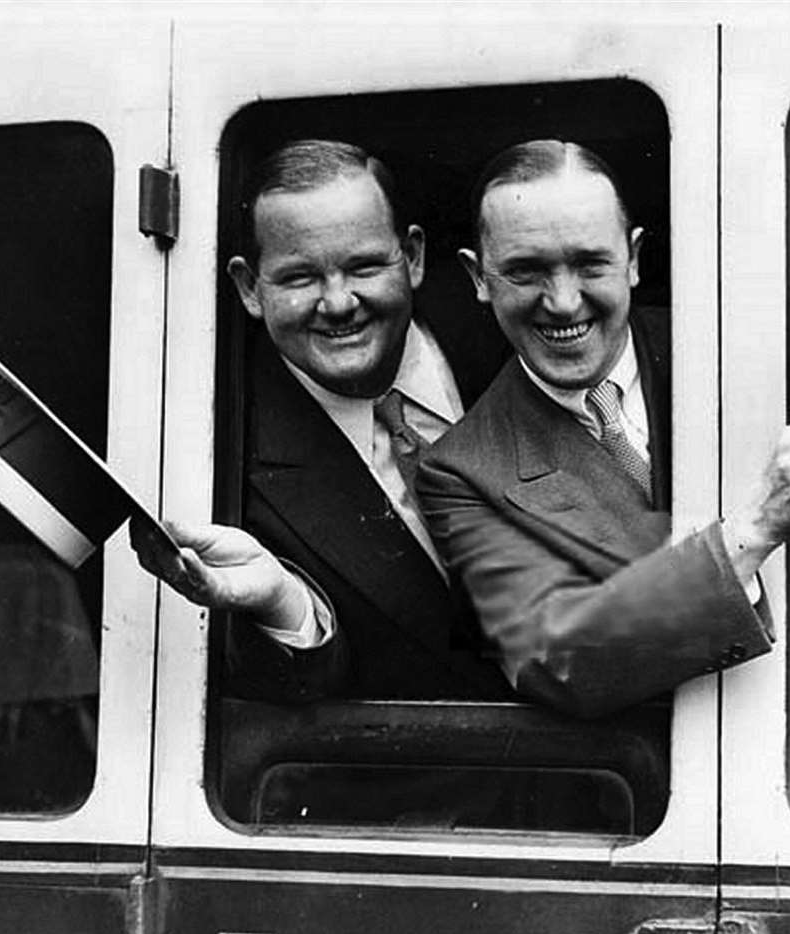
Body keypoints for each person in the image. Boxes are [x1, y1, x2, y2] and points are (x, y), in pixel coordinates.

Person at [416, 140, 790, 836]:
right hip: (701, 817)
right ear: (478, 278)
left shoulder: (740, 343)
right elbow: (555, 660)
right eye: (526, 271)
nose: (561, 301)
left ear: (632, 256)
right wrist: (749, 531)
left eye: (589, 264)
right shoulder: (459, 468)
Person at [133, 139, 509, 704]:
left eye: (363, 266)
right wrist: (285, 607)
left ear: (412, 257)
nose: (337, 303)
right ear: (249, 289)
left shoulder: (514, 330)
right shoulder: (215, 447)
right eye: (300, 278)